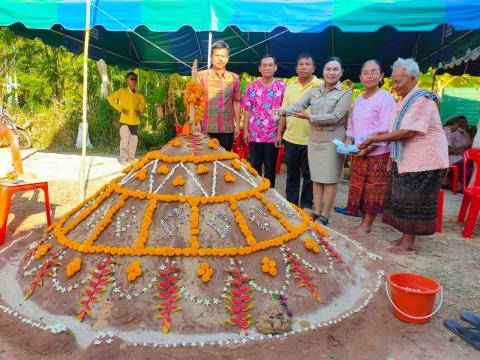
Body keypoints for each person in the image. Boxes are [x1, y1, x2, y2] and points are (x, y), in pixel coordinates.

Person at [359, 58, 448, 255]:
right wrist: (374, 138)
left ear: (413, 79)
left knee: (414, 200)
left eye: (398, 81)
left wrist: (374, 139)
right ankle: (405, 238)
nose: (394, 85)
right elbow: (395, 129)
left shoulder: (422, 99)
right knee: (403, 198)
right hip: (407, 158)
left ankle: (408, 245)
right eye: (393, 81)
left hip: (424, 160)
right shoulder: (405, 100)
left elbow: (408, 131)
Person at [279, 57, 352, 225]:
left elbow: (335, 117)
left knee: (330, 178)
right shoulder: (314, 91)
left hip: (332, 141)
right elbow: (298, 105)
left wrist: (310, 116)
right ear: (323, 71)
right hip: (314, 140)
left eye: (335, 69)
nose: (331, 72)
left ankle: (325, 213)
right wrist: (282, 111)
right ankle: (316, 210)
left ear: (341, 72)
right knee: (317, 177)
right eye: (328, 69)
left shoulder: (345, 93)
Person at [343, 60, 396, 236]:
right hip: (358, 151)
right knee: (360, 188)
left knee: (373, 190)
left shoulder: (385, 97)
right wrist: (348, 142)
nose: (369, 76)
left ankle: (366, 226)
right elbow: (351, 125)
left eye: (374, 72)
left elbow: (386, 129)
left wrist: (367, 148)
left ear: (381, 76)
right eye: (365, 72)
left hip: (377, 152)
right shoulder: (359, 98)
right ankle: (362, 223)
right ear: (360, 77)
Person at [275, 52, 320, 210]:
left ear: (313, 68)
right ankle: (291, 204)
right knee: (292, 174)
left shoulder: (320, 86)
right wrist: (279, 133)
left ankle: (307, 204)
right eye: (301, 64)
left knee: (309, 175)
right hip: (291, 138)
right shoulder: (290, 87)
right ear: (296, 68)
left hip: (311, 139)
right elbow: (284, 111)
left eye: (307, 64)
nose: (304, 67)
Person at [241, 55, 286, 188]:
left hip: (273, 136)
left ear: (275, 67)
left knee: (271, 169)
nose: (268, 68)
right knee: (254, 168)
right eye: (264, 65)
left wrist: (279, 134)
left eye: (270, 65)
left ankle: (270, 196)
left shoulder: (282, 87)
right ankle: (256, 195)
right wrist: (245, 131)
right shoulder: (252, 87)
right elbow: (247, 110)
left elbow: (284, 113)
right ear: (260, 68)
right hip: (255, 135)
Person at [198, 40, 240, 151]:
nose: (220, 59)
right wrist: (196, 122)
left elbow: (236, 101)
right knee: (205, 162)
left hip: (227, 128)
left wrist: (237, 125)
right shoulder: (201, 76)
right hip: (205, 127)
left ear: (227, 58)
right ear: (211, 57)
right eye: (217, 55)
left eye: (223, 56)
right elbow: (194, 101)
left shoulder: (234, 78)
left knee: (224, 162)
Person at [107, 71, 145, 166]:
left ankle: (131, 158)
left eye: (135, 79)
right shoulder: (122, 91)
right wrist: (120, 109)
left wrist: (140, 110)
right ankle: (123, 159)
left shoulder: (138, 94)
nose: (133, 81)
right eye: (131, 78)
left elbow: (143, 103)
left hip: (135, 121)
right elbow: (110, 98)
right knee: (124, 140)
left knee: (133, 141)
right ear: (127, 80)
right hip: (124, 121)